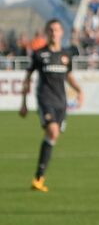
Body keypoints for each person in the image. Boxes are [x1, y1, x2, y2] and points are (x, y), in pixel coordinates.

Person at [19, 20, 83, 192]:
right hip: (45, 99)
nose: (54, 33)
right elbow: (27, 79)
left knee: (53, 137)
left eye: (57, 30)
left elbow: (68, 75)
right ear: (47, 33)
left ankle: (39, 177)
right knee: (52, 131)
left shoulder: (66, 55)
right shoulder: (39, 54)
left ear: (62, 33)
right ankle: (38, 179)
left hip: (61, 102)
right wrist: (23, 103)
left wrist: (79, 90)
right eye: (51, 30)